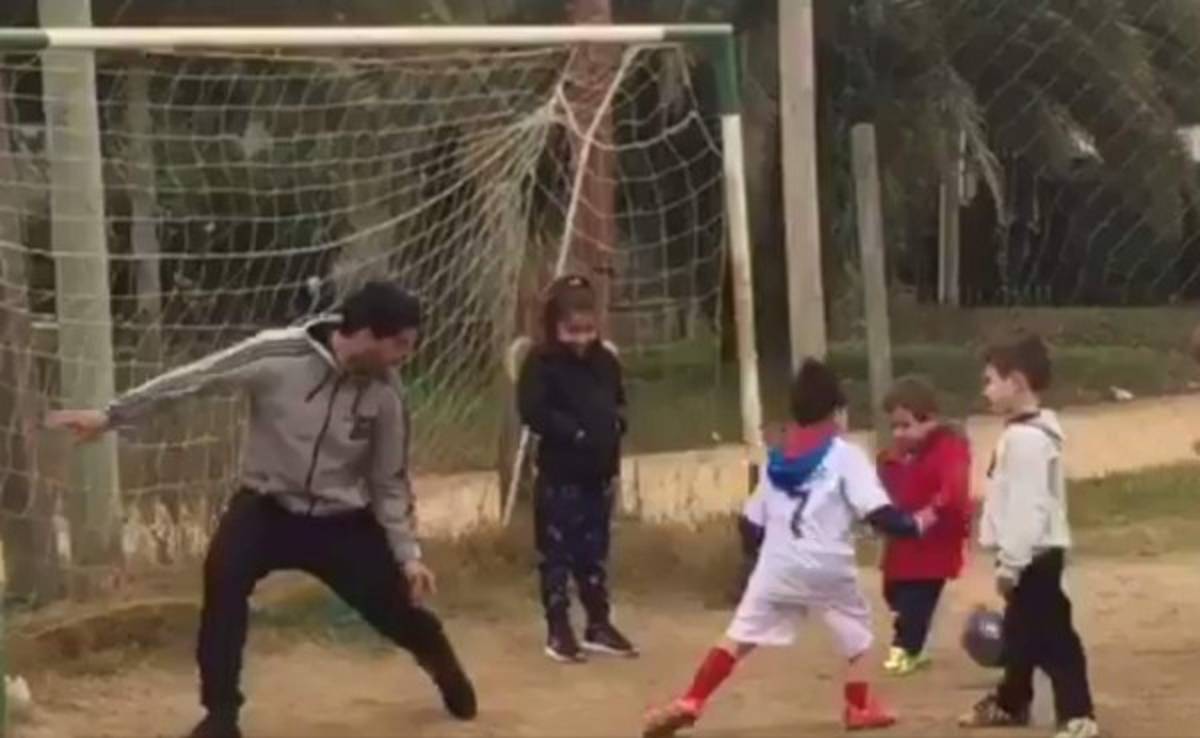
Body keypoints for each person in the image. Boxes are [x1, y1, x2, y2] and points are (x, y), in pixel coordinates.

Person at [46, 281, 476, 738]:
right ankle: (221, 715)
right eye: (400, 345)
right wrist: (112, 415)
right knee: (223, 578)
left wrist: (408, 555)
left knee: (396, 608)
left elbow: (389, 480)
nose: (405, 357)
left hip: (340, 520)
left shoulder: (387, 394)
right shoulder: (277, 356)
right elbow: (195, 379)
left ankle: (440, 663)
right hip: (267, 506)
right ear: (368, 333)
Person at [641, 359, 942, 737]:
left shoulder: (778, 460)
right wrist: (918, 524)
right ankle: (859, 706)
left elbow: (750, 525)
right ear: (837, 411)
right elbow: (880, 515)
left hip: (779, 563)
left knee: (739, 636)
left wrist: (757, 566)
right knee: (858, 630)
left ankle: (693, 699)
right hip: (827, 562)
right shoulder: (844, 455)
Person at [958, 333, 1099, 738]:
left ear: (1016, 381)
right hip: (1028, 553)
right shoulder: (1025, 433)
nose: (985, 389)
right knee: (1021, 636)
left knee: (1056, 638)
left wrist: (1012, 563)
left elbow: (1027, 506)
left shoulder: (1026, 441)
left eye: (990, 380)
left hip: (1034, 555)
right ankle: (1010, 702)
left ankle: (1078, 714)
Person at [517, 274, 637, 663]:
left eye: (588, 329)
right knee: (557, 554)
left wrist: (618, 424)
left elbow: (618, 401)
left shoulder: (605, 361)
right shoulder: (541, 363)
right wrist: (575, 432)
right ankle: (558, 628)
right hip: (560, 474)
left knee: (595, 553)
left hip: (600, 474)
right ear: (555, 326)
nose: (582, 338)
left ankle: (598, 623)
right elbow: (534, 412)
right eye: (573, 330)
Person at [877, 376, 972, 675]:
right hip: (903, 541)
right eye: (894, 427)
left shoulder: (949, 447)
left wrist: (933, 512)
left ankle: (907, 648)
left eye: (905, 425)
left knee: (917, 597)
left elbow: (954, 486)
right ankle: (908, 639)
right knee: (894, 592)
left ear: (929, 419)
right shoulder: (897, 456)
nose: (898, 433)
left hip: (935, 544)